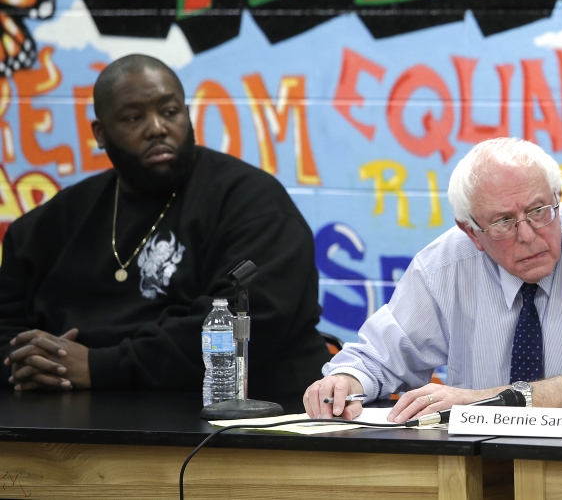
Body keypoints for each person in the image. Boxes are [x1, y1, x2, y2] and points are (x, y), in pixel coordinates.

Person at [0, 54, 330, 401]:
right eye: (133, 117)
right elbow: (6, 325)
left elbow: (246, 321)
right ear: (100, 133)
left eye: (170, 112)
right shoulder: (52, 224)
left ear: (188, 116)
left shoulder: (253, 202)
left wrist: (101, 366)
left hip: (236, 418)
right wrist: (29, 363)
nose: (157, 128)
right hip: (67, 422)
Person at [305, 137, 562, 421]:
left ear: (558, 198)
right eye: (503, 222)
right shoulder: (445, 265)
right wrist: (346, 382)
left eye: (539, 211)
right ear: (472, 233)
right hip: (482, 466)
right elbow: (379, 357)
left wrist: (486, 400)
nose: (527, 234)